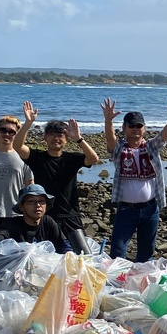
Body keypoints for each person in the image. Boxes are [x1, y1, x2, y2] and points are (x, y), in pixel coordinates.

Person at [102, 97, 167, 262]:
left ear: (144, 128)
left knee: (146, 254)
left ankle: (142, 285)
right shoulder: (119, 150)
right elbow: (110, 140)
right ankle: (117, 285)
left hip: (150, 209)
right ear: (124, 128)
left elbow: (164, 135)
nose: (135, 129)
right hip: (126, 210)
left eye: (139, 125)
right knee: (118, 253)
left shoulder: (151, 147)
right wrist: (108, 120)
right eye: (131, 126)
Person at [12, 101, 100, 236]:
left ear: (66, 139)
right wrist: (28, 123)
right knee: (45, 255)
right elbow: (17, 146)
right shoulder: (37, 157)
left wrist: (79, 139)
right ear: (45, 138)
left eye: (60, 135)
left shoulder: (72, 158)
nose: (56, 138)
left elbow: (94, 159)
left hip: (70, 215)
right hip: (44, 215)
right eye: (52, 134)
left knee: (79, 254)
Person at [0, 185, 71, 253]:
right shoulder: (11, 225)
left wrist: (69, 256)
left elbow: (65, 244)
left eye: (42, 201)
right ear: (21, 206)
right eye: (31, 202)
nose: (38, 205)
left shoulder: (48, 222)